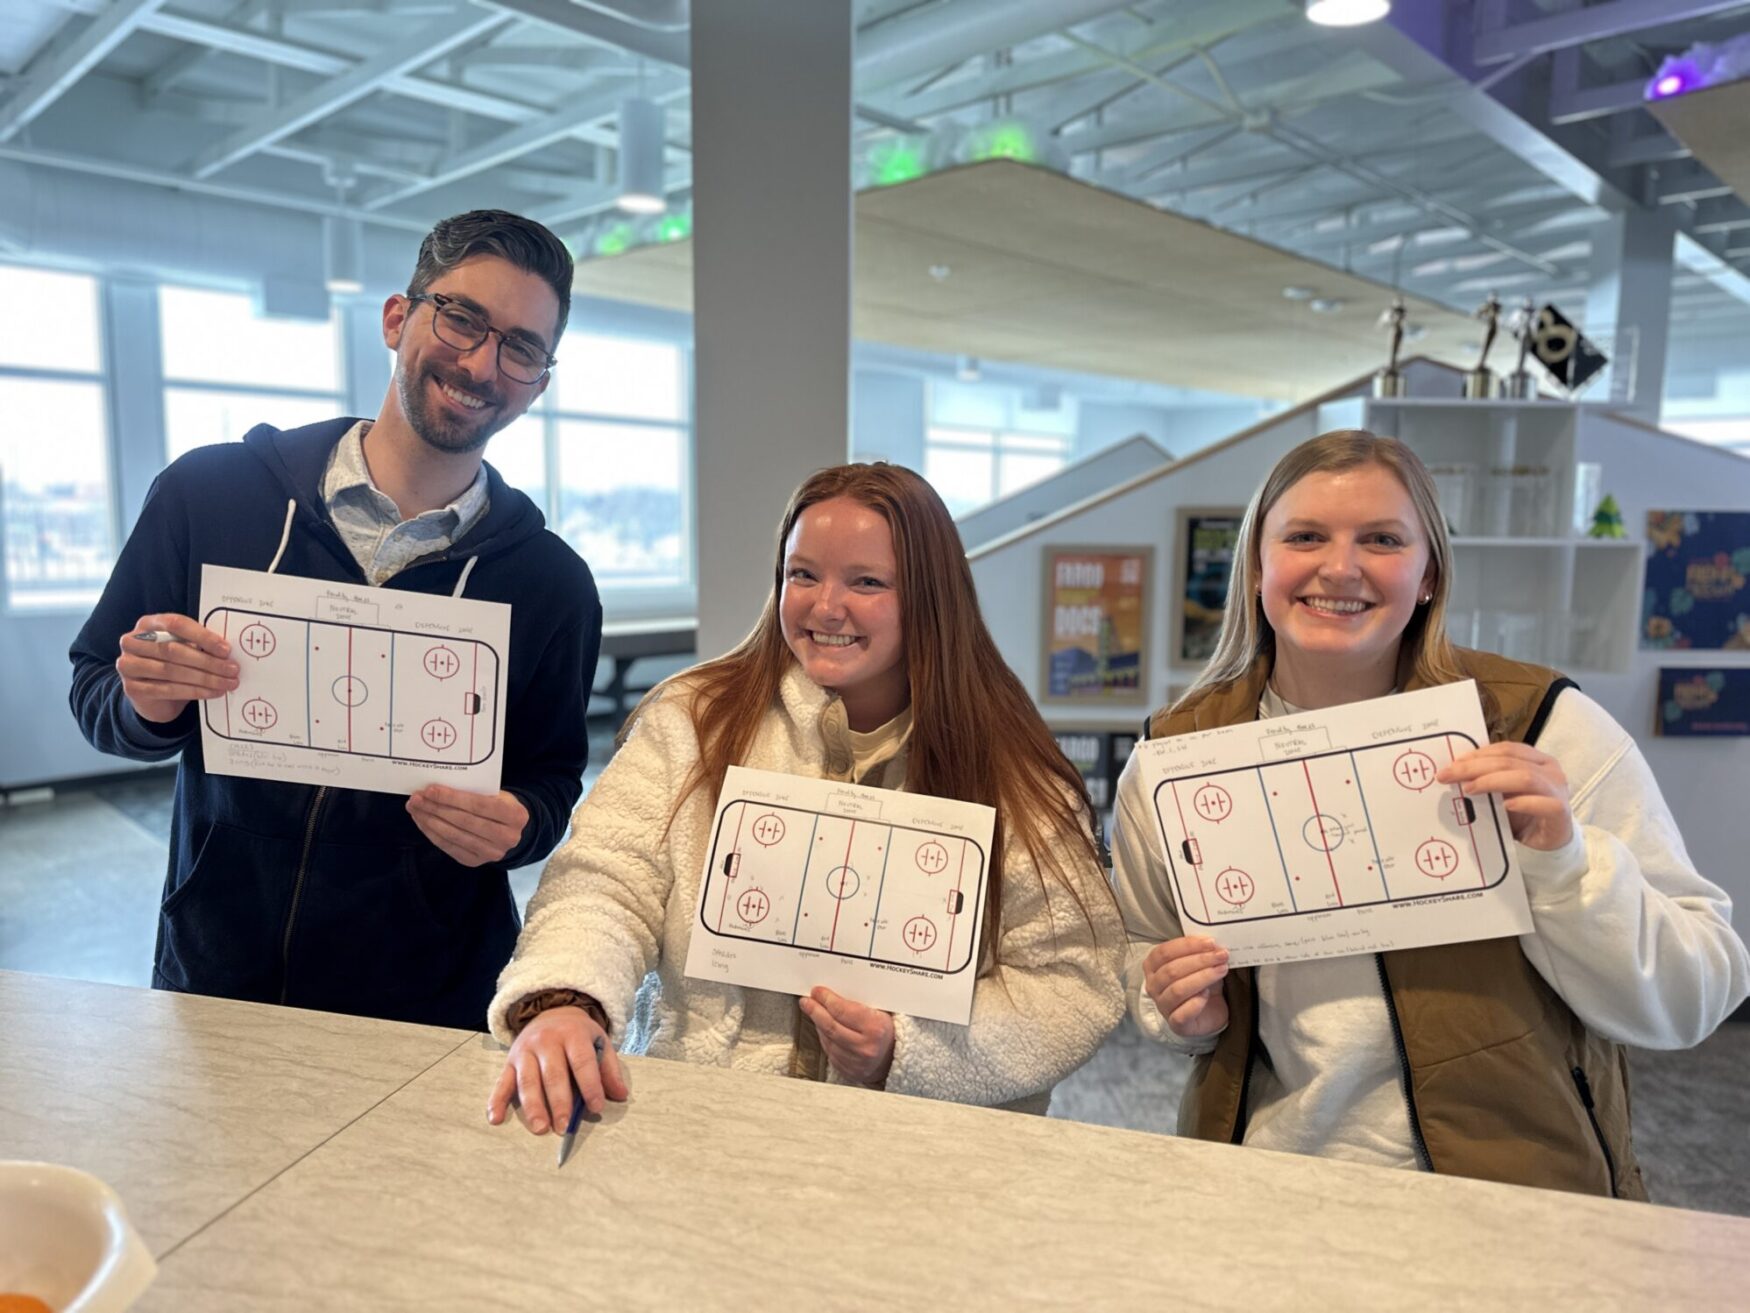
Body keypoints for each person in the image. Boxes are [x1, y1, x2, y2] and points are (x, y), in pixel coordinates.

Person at [1112, 430, 1749, 1199]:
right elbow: (1140, 947)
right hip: (1267, 1187)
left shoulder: (1542, 725)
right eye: (1306, 535)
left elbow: (1697, 992)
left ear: (1427, 575)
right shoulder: (1176, 757)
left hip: (1513, 1195)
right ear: (1256, 566)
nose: (1340, 567)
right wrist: (1176, 1005)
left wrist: (1567, 862)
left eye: (1382, 539)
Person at [69, 209, 601, 1030]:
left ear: (539, 381)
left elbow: (552, 778)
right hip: (217, 974)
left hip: (430, 999)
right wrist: (149, 700)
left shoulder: (551, 583)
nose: (482, 362)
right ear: (399, 317)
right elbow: (97, 688)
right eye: (461, 317)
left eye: (521, 347)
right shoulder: (211, 495)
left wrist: (518, 826)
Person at [485, 463, 1124, 1135]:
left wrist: (905, 1048)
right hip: (705, 1127)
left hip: (916, 1153)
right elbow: (607, 878)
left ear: (932, 597)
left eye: (867, 581)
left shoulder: (1010, 769)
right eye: (803, 574)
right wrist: (567, 997)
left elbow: (1071, 980)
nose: (826, 606)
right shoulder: (693, 719)